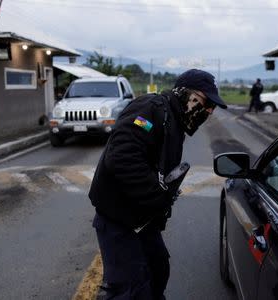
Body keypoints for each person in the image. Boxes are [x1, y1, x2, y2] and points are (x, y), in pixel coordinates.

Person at [88, 69, 227, 300]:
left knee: (158, 270)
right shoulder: (149, 111)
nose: (209, 111)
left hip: (142, 219)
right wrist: (156, 193)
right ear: (184, 93)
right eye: (206, 102)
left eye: (212, 106)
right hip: (119, 220)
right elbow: (122, 155)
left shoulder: (174, 120)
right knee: (129, 289)